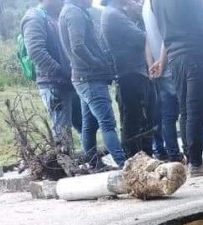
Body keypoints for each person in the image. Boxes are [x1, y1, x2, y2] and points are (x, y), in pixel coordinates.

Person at [150, 0, 203, 176]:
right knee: (196, 111)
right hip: (196, 53)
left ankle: (192, 160)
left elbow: (163, 31)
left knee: (186, 110)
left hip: (175, 58)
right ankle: (197, 163)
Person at [59, 0, 127, 167]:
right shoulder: (74, 13)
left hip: (83, 77)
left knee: (89, 124)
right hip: (90, 78)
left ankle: (93, 164)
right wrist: (97, 63)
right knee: (107, 123)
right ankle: (124, 165)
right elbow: (78, 46)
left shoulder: (71, 11)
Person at [101, 0, 154, 158]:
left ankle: (143, 155)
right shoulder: (113, 14)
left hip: (133, 73)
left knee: (140, 118)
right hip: (129, 74)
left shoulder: (116, 13)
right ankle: (135, 158)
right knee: (132, 119)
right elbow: (141, 37)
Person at [22, 0, 77, 148]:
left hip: (71, 81)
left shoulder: (59, 16)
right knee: (62, 132)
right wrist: (61, 71)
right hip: (54, 84)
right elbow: (36, 51)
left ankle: (91, 162)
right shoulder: (34, 17)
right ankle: (65, 166)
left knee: (86, 123)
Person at [142, 0, 182, 162]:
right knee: (190, 108)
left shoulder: (145, 6)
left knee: (168, 116)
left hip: (158, 68)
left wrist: (152, 64)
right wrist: (161, 63)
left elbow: (146, 39)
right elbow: (168, 34)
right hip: (169, 64)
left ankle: (174, 155)